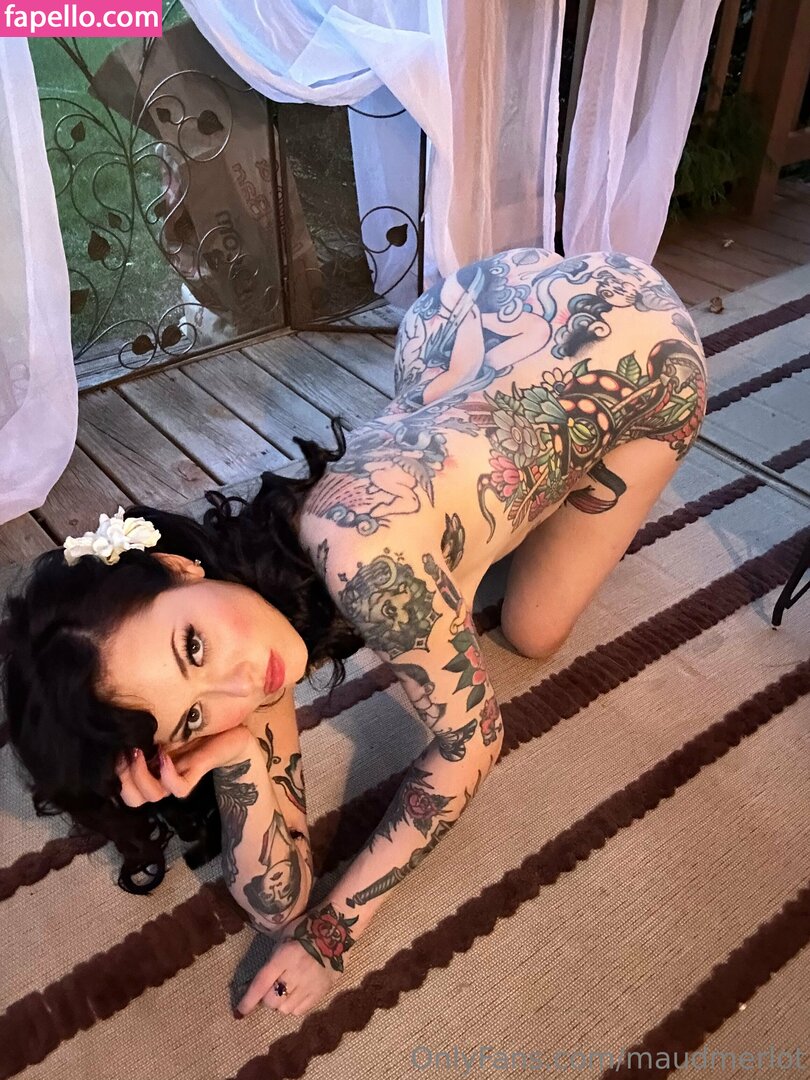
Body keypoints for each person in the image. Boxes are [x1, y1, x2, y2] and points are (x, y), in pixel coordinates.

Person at [0, 247, 707, 1017]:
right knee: (464, 578)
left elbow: (474, 741)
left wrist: (333, 937)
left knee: (532, 632)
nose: (243, 682)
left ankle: (525, 497)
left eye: (193, 647)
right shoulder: (246, 622)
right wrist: (236, 756)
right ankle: (479, 525)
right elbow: (277, 902)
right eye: (194, 715)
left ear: (175, 567)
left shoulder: (357, 553)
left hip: (632, 343)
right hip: (477, 331)